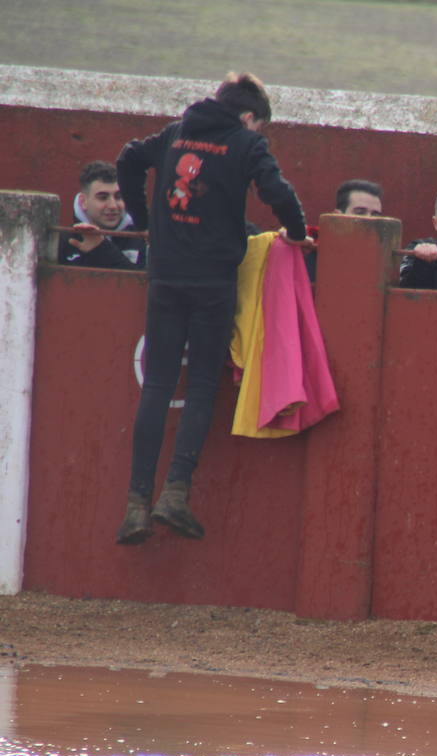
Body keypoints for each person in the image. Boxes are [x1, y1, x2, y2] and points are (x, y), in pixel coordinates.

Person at [114, 72, 311, 545]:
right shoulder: (244, 143)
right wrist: (298, 233)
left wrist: (146, 223)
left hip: (165, 274)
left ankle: (136, 504)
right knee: (202, 386)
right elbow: (279, 194)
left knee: (158, 386)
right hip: (212, 281)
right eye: (259, 125)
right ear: (248, 117)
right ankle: (175, 493)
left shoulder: (176, 133)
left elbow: (127, 161)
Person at [58, 160, 146, 270]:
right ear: (83, 202)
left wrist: (101, 248)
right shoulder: (64, 242)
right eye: (103, 197)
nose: (113, 206)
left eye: (118, 196)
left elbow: (141, 285)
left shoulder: (142, 238)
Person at [306, 178, 384, 280]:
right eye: (360, 212)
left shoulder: (383, 257)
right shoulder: (309, 247)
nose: (369, 219)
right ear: (337, 216)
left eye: (375, 215)